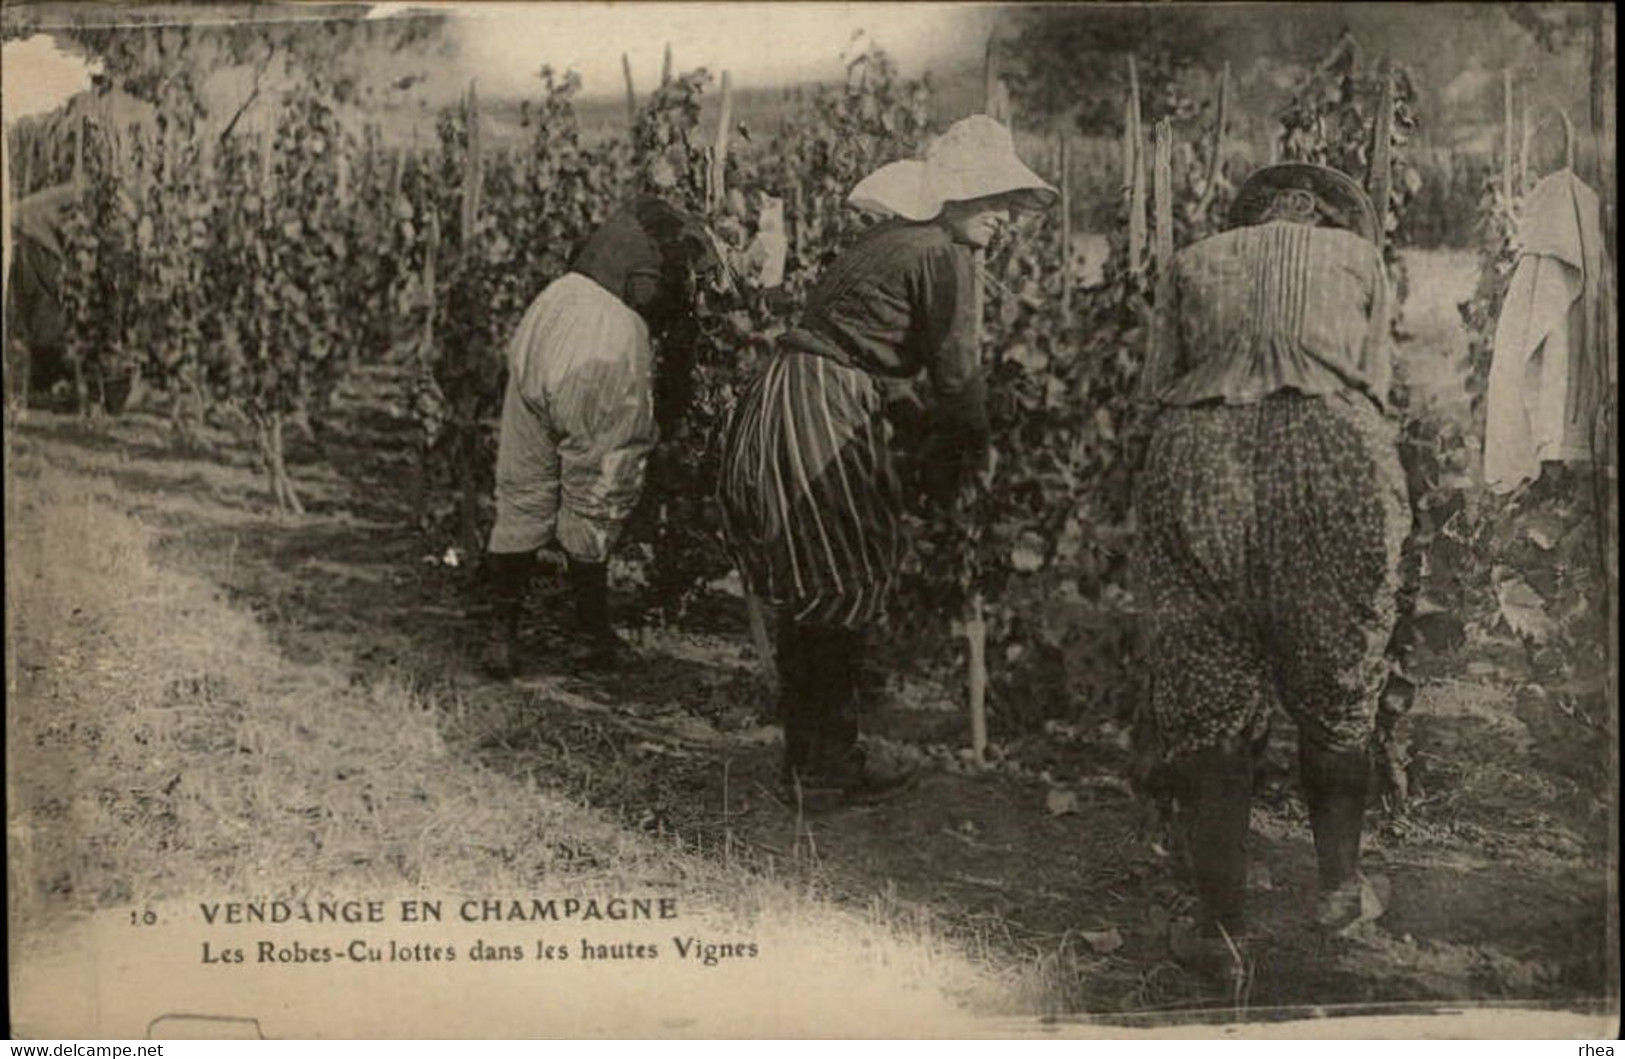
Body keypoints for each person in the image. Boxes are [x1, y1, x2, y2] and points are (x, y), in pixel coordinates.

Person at [717, 115, 1057, 807]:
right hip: (821, 402)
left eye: (1006, 204)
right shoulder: (944, 257)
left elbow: (881, 352)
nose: (1001, 218)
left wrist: (919, 433)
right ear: (954, 196)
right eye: (990, 201)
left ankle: (809, 758)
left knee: (817, 577)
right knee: (838, 578)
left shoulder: (892, 240)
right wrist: (966, 464)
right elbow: (957, 381)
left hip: (789, 395)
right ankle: (824, 766)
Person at [1133, 163, 1410, 975]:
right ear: (1328, 216)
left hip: (1200, 452)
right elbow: (1378, 385)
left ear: (1250, 215)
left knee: (1206, 678)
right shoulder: (1360, 260)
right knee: (1338, 668)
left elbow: (1158, 386)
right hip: (1332, 453)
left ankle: (1219, 927)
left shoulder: (1192, 258)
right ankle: (1339, 891)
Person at [482, 195, 722, 677]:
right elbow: (674, 331)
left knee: (525, 483)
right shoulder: (692, 242)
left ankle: (500, 637)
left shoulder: (636, 212)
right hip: (601, 333)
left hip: (550, 310)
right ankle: (591, 636)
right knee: (599, 485)